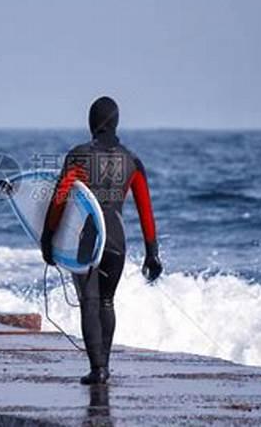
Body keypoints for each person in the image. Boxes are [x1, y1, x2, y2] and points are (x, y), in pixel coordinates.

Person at [41, 96, 163, 385]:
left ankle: (98, 369)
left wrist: (48, 238)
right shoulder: (132, 161)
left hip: (88, 235)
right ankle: (104, 367)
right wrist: (152, 252)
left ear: (91, 123)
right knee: (107, 302)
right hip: (117, 238)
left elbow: (60, 199)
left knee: (89, 301)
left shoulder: (79, 156)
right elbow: (145, 208)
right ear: (117, 122)